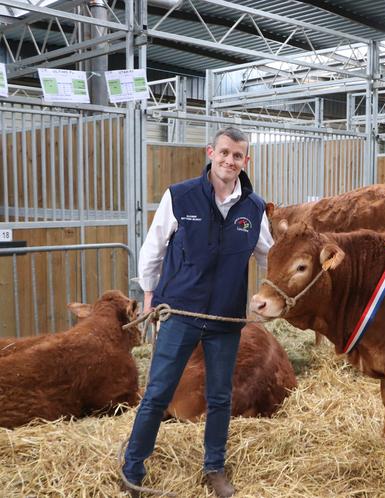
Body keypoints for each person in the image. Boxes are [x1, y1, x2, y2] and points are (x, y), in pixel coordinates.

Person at [121, 127, 273, 498]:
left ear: (246, 161)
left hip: (225, 319)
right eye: (224, 153)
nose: (229, 161)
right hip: (179, 312)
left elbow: (270, 255)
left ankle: (214, 468)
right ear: (211, 152)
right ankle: (133, 467)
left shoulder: (253, 208)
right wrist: (149, 297)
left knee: (220, 396)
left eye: (237, 156)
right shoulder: (180, 196)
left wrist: (280, 289)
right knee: (158, 392)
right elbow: (153, 250)